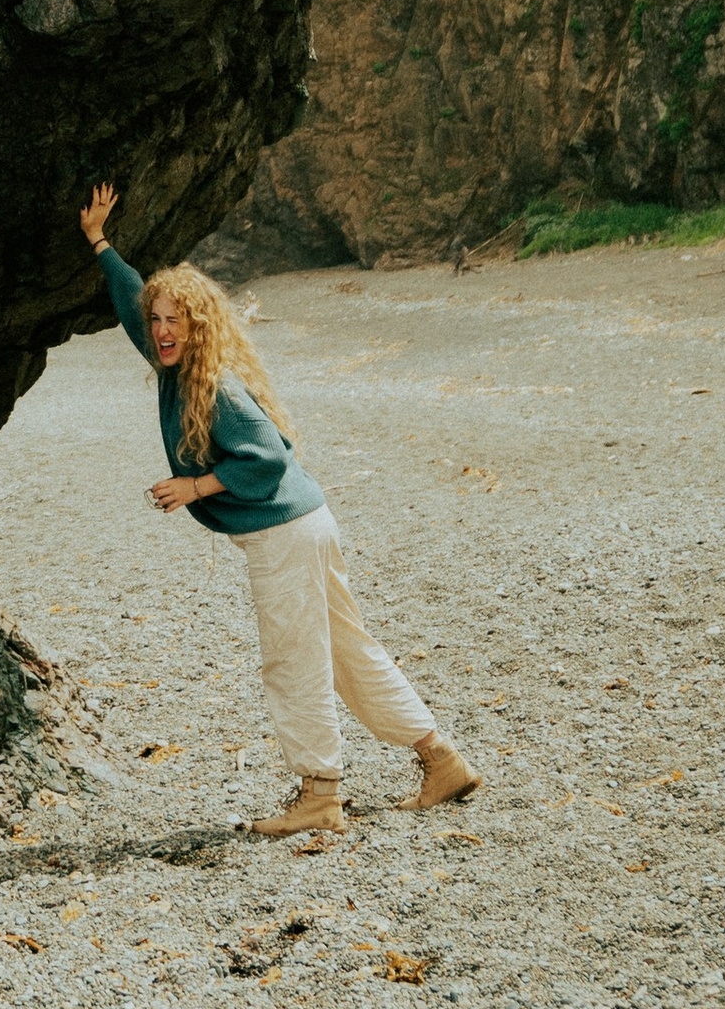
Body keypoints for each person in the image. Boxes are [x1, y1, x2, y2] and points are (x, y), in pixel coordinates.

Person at [79, 181, 480, 835]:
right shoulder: (179, 364)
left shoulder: (219, 389)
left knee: (292, 658)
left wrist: (196, 487)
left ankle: (320, 794)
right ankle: (442, 760)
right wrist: (100, 242)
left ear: (199, 325)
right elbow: (131, 300)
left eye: (176, 320)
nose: (161, 329)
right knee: (349, 651)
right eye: (157, 320)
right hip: (307, 523)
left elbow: (268, 454)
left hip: (285, 534)